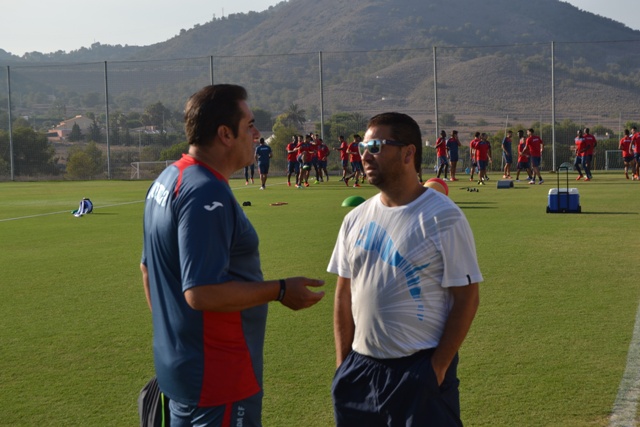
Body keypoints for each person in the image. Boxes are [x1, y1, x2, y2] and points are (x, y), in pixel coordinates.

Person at [140, 84, 325, 427]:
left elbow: (147, 269)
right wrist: (282, 289)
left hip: (181, 369)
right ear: (225, 134)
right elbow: (202, 292)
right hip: (218, 378)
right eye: (250, 125)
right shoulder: (206, 192)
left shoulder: (168, 178)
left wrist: (179, 340)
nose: (257, 135)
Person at [328, 112, 482, 426]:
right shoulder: (354, 218)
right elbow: (344, 296)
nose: (365, 155)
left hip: (419, 371)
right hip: (360, 373)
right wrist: (343, 365)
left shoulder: (443, 217)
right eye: (363, 147)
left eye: (376, 146)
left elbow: (467, 298)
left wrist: (436, 370)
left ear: (408, 153)